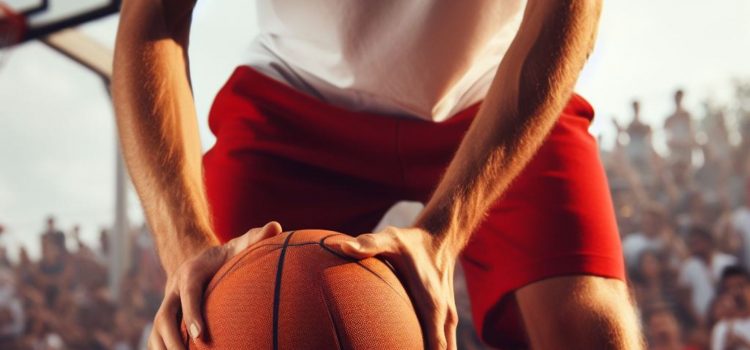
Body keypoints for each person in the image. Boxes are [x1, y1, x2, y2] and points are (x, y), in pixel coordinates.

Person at [113, 0, 641, 349]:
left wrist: (445, 229)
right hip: (296, 96)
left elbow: (570, 12)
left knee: (593, 329)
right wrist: (183, 245)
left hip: (492, 93)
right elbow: (153, 16)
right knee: (217, 326)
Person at [664, 89, 696, 166]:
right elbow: (667, 133)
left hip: (686, 148)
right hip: (675, 150)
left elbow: (692, 132)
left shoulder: (687, 115)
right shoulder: (670, 118)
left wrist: (689, 143)